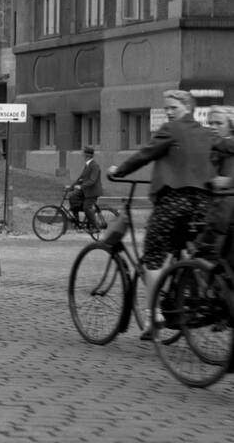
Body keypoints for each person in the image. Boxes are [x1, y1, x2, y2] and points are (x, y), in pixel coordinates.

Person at [109, 89, 215, 340]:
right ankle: (188, 289)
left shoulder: (172, 129)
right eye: (166, 108)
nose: (168, 112)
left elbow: (144, 154)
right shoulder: (207, 133)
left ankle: (153, 313)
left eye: (173, 108)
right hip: (202, 205)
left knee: (153, 257)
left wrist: (119, 171)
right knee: (187, 248)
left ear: (187, 108)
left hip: (174, 202)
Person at [196, 106, 234, 266]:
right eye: (210, 123)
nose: (213, 127)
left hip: (224, 216)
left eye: (218, 123)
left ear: (231, 126)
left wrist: (229, 181)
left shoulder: (227, 147)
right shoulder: (215, 150)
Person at [70, 146, 102, 231]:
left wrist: (81, 186)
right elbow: (81, 178)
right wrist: (71, 187)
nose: (82, 155)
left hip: (92, 191)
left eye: (83, 153)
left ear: (87, 155)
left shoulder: (94, 166)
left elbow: (92, 180)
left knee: (86, 207)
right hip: (85, 190)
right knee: (72, 197)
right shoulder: (87, 165)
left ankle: (96, 227)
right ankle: (77, 222)